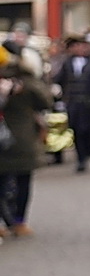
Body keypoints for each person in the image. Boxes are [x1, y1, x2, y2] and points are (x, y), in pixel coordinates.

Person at [0, 44, 52, 238]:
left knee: (2, 181)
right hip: (23, 138)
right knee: (23, 181)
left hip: (3, 137)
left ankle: (4, 221)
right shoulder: (26, 78)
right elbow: (46, 102)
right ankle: (19, 221)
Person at [52, 34, 90, 172]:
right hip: (72, 103)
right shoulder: (67, 63)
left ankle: (88, 151)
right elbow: (59, 80)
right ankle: (81, 158)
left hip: (89, 103)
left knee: (88, 130)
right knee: (76, 129)